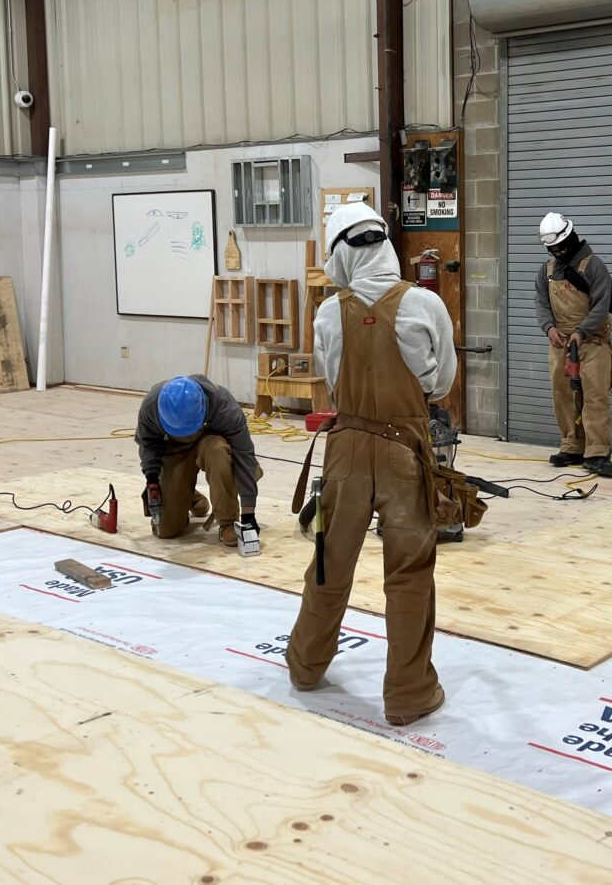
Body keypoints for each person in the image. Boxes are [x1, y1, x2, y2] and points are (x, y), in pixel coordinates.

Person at [286, 201, 457, 726]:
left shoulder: (326, 313)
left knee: (329, 563)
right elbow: (442, 384)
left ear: (340, 253)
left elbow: (333, 380)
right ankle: (408, 694)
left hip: (346, 455)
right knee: (408, 574)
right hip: (406, 453)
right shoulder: (426, 305)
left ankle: (306, 666)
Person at [535, 211, 612, 478]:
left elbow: (602, 305)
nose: (556, 253)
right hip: (560, 343)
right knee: (563, 394)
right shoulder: (547, 271)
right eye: (551, 249)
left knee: (594, 395)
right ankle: (572, 445)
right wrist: (549, 328)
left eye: (559, 247)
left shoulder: (594, 266)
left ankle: (597, 452)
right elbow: (541, 303)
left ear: (569, 237)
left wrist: (581, 332)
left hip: (592, 341)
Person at [135, 375, 261, 546]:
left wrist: (248, 515)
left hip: (210, 442)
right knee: (166, 530)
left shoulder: (223, 406)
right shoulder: (151, 406)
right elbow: (148, 444)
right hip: (174, 448)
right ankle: (189, 496)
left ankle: (228, 522)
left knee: (219, 452)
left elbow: (244, 455)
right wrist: (152, 479)